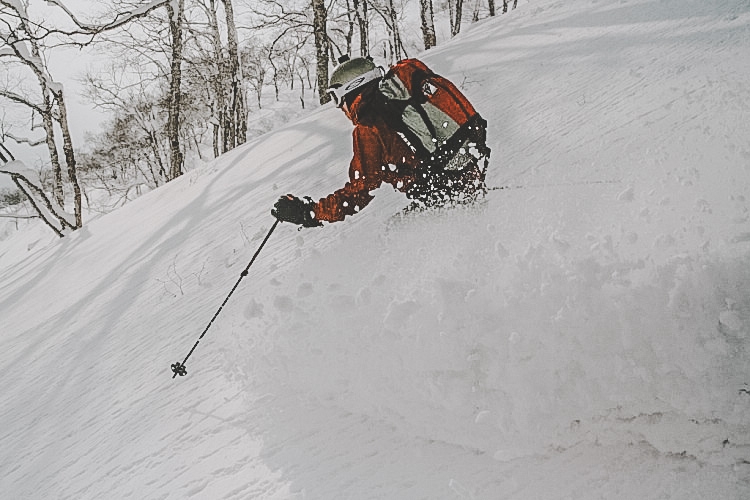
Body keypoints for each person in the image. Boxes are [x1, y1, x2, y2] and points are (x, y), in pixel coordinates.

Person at [271, 56, 489, 228]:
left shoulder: (370, 125)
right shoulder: (400, 99)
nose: (340, 107)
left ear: (350, 89)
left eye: (336, 98)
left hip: (440, 195)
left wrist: (309, 212)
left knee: (393, 233)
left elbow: (358, 192)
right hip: (467, 177)